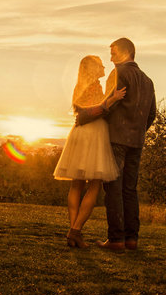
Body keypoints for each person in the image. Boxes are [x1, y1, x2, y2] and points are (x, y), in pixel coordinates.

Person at [78, 37, 156, 252]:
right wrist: (138, 131)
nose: (110, 57)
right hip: (136, 142)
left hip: (116, 139)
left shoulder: (118, 74)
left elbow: (109, 105)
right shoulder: (148, 81)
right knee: (130, 189)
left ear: (124, 52)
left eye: (113, 52)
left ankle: (116, 240)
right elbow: (152, 114)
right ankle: (132, 239)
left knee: (113, 189)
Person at [53, 55, 125, 248]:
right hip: (93, 134)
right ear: (93, 69)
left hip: (78, 134)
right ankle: (75, 231)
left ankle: (74, 232)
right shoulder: (94, 86)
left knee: (76, 185)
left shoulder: (80, 86)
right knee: (94, 185)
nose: (103, 67)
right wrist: (112, 99)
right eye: (100, 65)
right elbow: (96, 110)